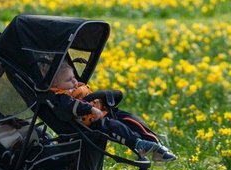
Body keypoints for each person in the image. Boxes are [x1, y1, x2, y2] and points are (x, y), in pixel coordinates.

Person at [48, 61, 176, 162]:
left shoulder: (77, 86)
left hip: (105, 112)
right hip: (93, 123)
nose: (74, 81)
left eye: (73, 77)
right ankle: (138, 144)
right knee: (115, 126)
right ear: (56, 84)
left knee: (131, 119)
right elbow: (71, 106)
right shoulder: (62, 96)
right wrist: (91, 108)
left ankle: (156, 144)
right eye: (68, 80)